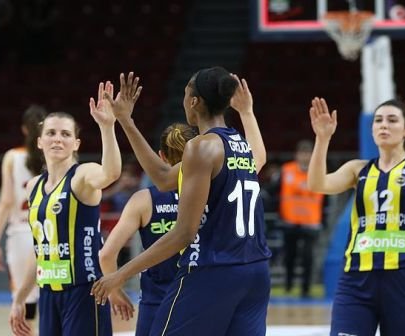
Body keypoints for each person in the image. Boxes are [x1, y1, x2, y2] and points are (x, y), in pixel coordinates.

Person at [92, 68, 271, 335]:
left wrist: (120, 274)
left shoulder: (201, 147)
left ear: (194, 101)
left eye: (186, 91)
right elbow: (165, 178)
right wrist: (125, 122)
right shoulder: (242, 146)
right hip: (256, 271)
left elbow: (184, 234)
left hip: (214, 271)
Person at [306, 88, 405, 336]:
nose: (383, 125)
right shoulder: (358, 169)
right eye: (378, 120)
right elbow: (316, 184)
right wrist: (322, 139)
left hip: (404, 278)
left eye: (392, 120)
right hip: (356, 279)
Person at [9, 78, 140, 336]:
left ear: (76, 144)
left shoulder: (83, 175)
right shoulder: (32, 186)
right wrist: (19, 297)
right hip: (48, 292)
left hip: (84, 290)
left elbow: (111, 173)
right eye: (51, 133)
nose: (58, 139)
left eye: (66, 134)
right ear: (39, 142)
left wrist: (107, 126)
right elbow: (39, 250)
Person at [98, 122, 198, 335]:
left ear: (160, 156)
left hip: (156, 302)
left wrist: (115, 291)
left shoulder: (143, 200)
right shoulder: (210, 194)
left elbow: (106, 254)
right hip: (198, 299)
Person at [0, 104, 46, 331]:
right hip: (51, 232)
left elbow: (6, 201)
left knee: (24, 303)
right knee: (55, 299)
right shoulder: (55, 156)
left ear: (24, 129)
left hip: (21, 233)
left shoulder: (12, 157)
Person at [280, 139, 324, 297]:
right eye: (302, 153)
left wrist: (323, 220)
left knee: (308, 258)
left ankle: (306, 289)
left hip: (311, 223)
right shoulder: (286, 170)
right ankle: (288, 286)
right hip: (290, 222)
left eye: (308, 153)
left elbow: (326, 198)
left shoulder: (318, 171)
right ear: (297, 155)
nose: (305, 156)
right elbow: (276, 192)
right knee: (289, 257)